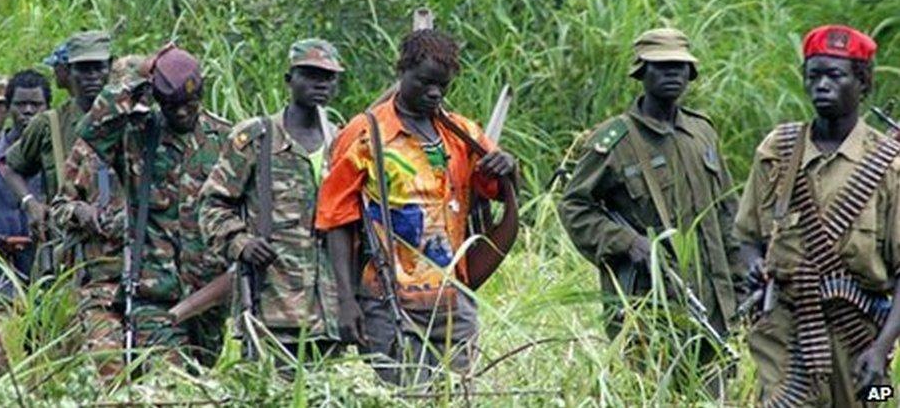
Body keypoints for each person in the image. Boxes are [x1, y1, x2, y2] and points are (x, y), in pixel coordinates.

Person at [315, 29, 516, 385]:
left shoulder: (461, 133)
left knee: (459, 393)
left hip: (454, 299)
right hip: (387, 300)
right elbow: (335, 221)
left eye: (443, 86)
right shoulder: (365, 134)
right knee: (402, 393)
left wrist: (507, 170)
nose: (435, 93)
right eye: (425, 83)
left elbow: (496, 189)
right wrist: (345, 301)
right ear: (402, 72)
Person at [558, 28, 740, 389]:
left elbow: (726, 213)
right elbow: (575, 206)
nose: (673, 73)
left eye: (680, 66)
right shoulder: (616, 141)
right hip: (650, 304)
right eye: (662, 66)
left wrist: (741, 280)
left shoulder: (702, 132)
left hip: (713, 302)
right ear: (641, 72)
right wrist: (627, 242)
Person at [736, 25, 900, 407]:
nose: (821, 85)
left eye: (835, 75)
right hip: (786, 333)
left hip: (860, 337)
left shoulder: (889, 165)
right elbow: (748, 237)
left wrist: (881, 350)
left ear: (862, 84)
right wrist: (754, 264)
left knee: (878, 402)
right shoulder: (778, 150)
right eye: (814, 76)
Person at [77, 44, 229, 366]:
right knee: (169, 384)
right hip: (154, 295)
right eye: (173, 105)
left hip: (209, 297)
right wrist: (138, 76)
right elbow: (90, 130)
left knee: (204, 386)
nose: (184, 112)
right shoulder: (137, 136)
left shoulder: (226, 141)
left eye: (190, 102)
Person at [199, 39, 345, 364]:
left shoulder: (343, 141)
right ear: (289, 79)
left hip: (331, 313)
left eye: (328, 76)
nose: (320, 83)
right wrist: (240, 242)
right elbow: (212, 204)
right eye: (309, 74)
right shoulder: (257, 138)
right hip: (272, 308)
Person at [48, 55, 144, 375]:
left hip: (154, 284)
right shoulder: (89, 149)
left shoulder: (159, 143)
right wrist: (84, 212)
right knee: (108, 366)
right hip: (101, 283)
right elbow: (59, 208)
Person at [4, 31, 112, 267]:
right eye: (82, 69)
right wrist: (30, 202)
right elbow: (10, 167)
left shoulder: (134, 120)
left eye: (98, 67)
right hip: (67, 250)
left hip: (119, 246)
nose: (91, 76)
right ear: (68, 72)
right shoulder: (49, 124)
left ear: (110, 68)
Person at [0, 70, 50, 366]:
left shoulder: (59, 154)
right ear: (11, 108)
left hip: (47, 273)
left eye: (36, 105)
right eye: (21, 105)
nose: (28, 112)